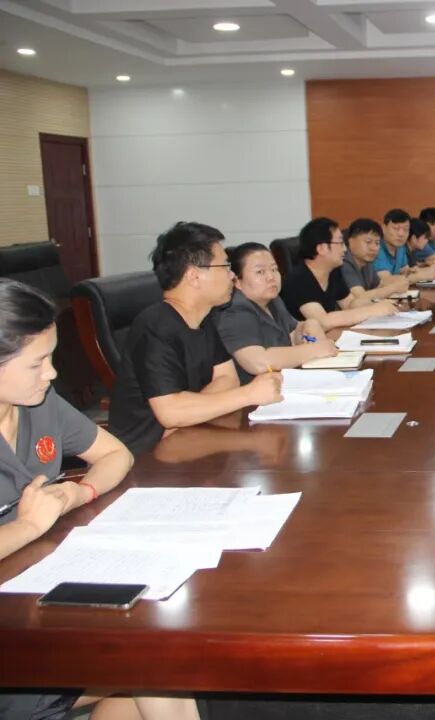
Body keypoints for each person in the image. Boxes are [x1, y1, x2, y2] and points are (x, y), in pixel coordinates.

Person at [0, 278, 198, 720]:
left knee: (155, 647)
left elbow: (115, 454)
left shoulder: (38, 402)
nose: (52, 374)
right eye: (36, 363)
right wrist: (27, 526)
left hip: (42, 590)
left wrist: (79, 491)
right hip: (13, 638)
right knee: (150, 655)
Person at [108, 222, 283, 454]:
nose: (232, 275)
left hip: (190, 438)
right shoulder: (155, 327)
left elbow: (227, 379)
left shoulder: (204, 317)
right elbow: (171, 412)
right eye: (225, 266)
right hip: (145, 456)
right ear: (194, 276)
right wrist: (249, 394)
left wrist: (189, 412)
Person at [214, 243, 337, 383]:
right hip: (254, 392)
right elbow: (258, 362)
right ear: (237, 281)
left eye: (274, 269)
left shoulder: (272, 300)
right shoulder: (234, 311)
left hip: (284, 382)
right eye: (260, 272)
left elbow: (291, 335)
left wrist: (307, 326)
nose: (271, 277)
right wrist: (314, 350)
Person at [279, 217, 398, 329]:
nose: (345, 249)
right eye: (340, 243)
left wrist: (378, 303)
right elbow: (323, 321)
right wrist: (372, 311)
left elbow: (349, 304)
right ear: (321, 248)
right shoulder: (298, 280)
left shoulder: (333, 271)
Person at [339, 218, 409, 301]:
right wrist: (393, 288)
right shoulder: (344, 263)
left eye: (377, 243)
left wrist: (400, 282)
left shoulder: (367, 263)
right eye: (368, 242)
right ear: (350, 241)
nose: (374, 248)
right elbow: (360, 298)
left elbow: (380, 286)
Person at [373, 209, 435, 284]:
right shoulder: (376, 248)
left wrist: (416, 271)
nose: (401, 234)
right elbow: (386, 280)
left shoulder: (400, 247)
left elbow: (405, 271)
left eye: (405, 230)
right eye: (396, 228)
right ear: (383, 228)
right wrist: (418, 277)